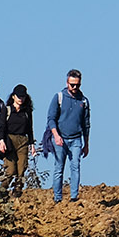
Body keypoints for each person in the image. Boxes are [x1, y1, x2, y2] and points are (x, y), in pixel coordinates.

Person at [42, 70, 90, 204]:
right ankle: (57, 198)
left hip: (76, 139)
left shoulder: (84, 101)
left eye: (77, 85)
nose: (74, 88)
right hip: (60, 138)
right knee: (59, 167)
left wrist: (86, 144)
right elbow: (51, 118)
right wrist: (56, 136)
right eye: (72, 85)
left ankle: (74, 196)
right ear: (67, 83)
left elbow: (86, 124)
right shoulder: (58, 97)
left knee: (75, 166)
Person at [2, 85, 34, 192]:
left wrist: (31, 144)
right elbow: (2, 127)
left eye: (23, 97)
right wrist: (1, 141)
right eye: (18, 96)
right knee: (10, 171)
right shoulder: (7, 110)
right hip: (9, 140)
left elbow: (30, 128)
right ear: (13, 96)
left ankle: (18, 191)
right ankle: (2, 191)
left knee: (21, 169)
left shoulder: (27, 111)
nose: (21, 99)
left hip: (23, 141)